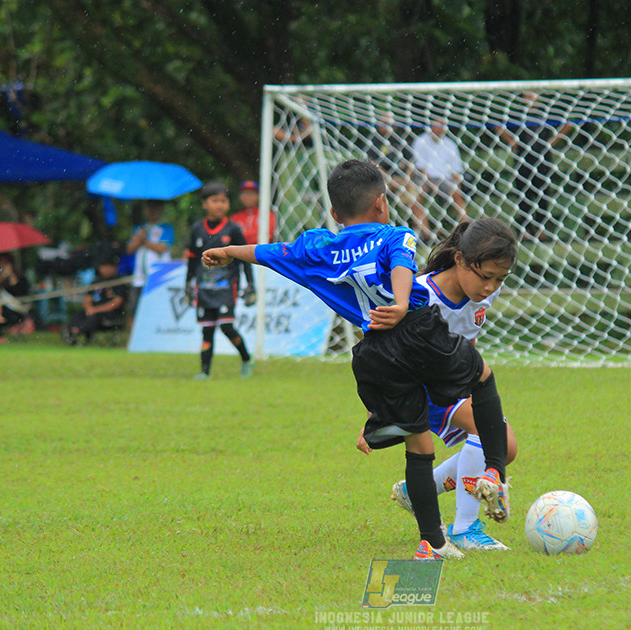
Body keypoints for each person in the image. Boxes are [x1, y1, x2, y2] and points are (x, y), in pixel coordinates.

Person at [201, 159, 511, 560]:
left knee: (418, 447)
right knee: (483, 379)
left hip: (373, 352)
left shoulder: (318, 248)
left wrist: (228, 251)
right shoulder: (395, 235)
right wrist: (401, 305)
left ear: (334, 213)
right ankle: (494, 474)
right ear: (382, 202)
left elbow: (271, 252)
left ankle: (431, 543)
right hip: (415, 330)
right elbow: (401, 268)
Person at [356, 218, 520, 551]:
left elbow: (465, 345)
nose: (490, 287)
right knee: (486, 433)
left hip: (452, 383)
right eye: (486, 277)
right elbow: (382, 357)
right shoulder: (419, 295)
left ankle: (421, 489)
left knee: (506, 448)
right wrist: (377, 412)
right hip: (420, 390)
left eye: (500, 279)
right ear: (460, 260)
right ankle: (465, 528)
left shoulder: (484, 292)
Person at [185, 182, 255, 379]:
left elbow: (246, 257)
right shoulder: (197, 229)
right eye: (214, 201)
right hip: (204, 288)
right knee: (207, 330)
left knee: (226, 326)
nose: (219, 205)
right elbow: (191, 260)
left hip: (227, 287)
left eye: (223, 201)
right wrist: (187, 286)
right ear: (204, 204)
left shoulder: (233, 229)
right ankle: (204, 372)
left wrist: (251, 285)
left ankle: (246, 358)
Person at [497, 92, 573, 242]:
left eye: (532, 95)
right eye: (526, 96)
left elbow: (568, 123)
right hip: (523, 156)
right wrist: (513, 143)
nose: (530, 99)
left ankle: (540, 229)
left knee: (542, 192)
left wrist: (552, 142)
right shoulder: (517, 114)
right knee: (524, 192)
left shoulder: (547, 112)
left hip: (542, 156)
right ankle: (526, 229)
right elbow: (497, 125)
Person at [366, 114, 426, 241]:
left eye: (389, 124)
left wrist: (407, 178)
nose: (387, 127)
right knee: (381, 197)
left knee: (416, 197)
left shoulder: (399, 139)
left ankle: (423, 233)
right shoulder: (375, 141)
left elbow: (410, 162)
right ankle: (381, 234)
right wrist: (390, 180)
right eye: (384, 123)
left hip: (404, 180)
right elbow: (374, 165)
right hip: (383, 181)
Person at [411, 118, 468, 240]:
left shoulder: (450, 144)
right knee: (416, 197)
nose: (438, 129)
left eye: (441, 126)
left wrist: (457, 185)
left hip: (445, 179)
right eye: (436, 126)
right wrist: (431, 183)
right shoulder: (421, 142)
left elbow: (456, 171)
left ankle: (465, 230)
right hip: (426, 178)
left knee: (457, 194)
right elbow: (420, 167)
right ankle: (426, 234)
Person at [126, 200, 174, 329]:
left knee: (157, 309)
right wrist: (138, 237)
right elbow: (130, 249)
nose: (152, 212)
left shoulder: (165, 228)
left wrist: (144, 241)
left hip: (158, 277)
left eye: (156, 209)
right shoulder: (139, 228)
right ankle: (131, 342)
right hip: (139, 277)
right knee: (134, 309)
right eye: (150, 208)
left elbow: (162, 248)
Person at [63, 255, 127, 345]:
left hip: (110, 313)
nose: (106, 269)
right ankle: (72, 330)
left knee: (96, 316)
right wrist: (89, 308)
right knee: (79, 314)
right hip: (94, 310)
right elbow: (88, 298)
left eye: (109, 266)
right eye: (103, 266)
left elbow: (117, 303)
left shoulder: (119, 282)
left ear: (115, 267)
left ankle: (76, 332)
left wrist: (96, 310)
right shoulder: (96, 282)